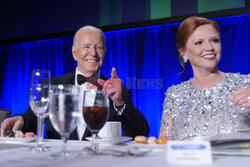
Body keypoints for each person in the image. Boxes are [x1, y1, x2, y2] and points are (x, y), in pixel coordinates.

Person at [1, 26, 149, 140]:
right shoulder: (53, 84)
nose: (93, 53)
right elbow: (32, 119)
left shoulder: (118, 91)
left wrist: (119, 102)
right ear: (74, 52)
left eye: (99, 47)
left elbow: (140, 132)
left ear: (104, 52)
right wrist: (17, 119)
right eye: (86, 47)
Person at [159, 17, 250, 140]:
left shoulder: (245, 84)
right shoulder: (174, 96)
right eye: (199, 42)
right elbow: (164, 144)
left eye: (214, 40)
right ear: (184, 52)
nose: (209, 48)